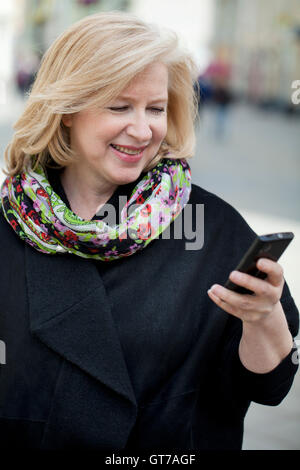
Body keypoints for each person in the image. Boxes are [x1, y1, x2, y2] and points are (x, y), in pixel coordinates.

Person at [0, 11, 298, 452]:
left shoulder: (210, 228)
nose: (142, 130)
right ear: (66, 110)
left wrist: (263, 319)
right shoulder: (10, 221)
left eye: (155, 109)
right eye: (119, 106)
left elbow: (270, 385)